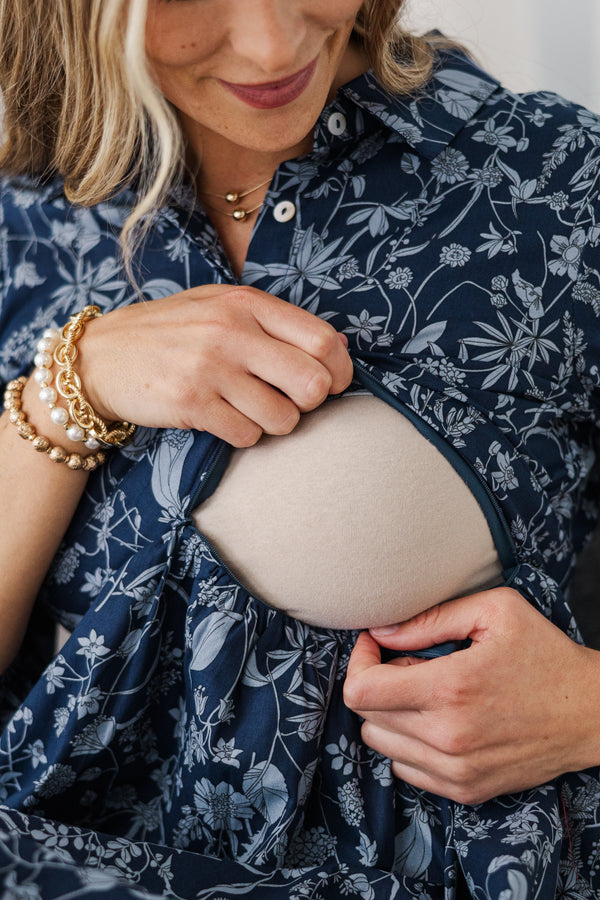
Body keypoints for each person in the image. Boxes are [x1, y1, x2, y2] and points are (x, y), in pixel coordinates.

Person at [0, 0, 599, 897]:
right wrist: (69, 387)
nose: (274, 44)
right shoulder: (24, 218)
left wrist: (589, 705)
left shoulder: (559, 188)